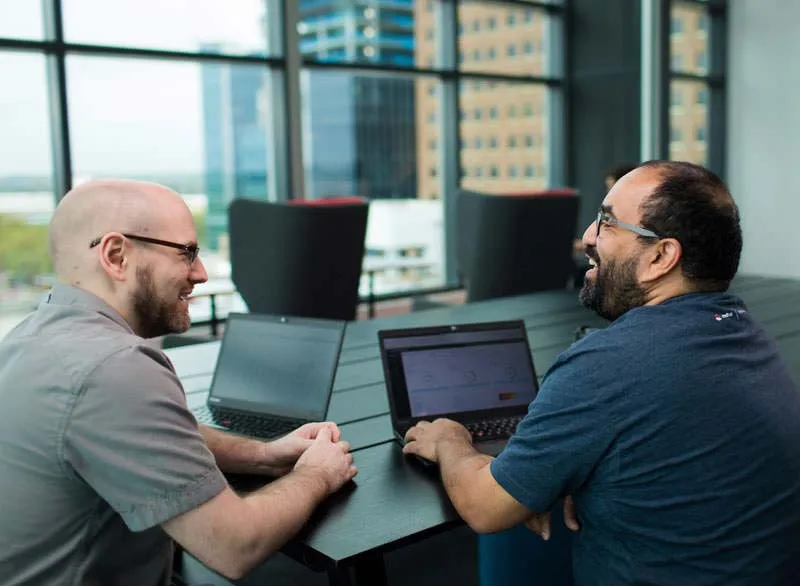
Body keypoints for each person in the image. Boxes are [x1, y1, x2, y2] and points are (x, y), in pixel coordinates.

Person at [404, 161, 800, 585]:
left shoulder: (607, 363)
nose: (588, 237)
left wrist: (451, 440)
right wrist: (592, 480)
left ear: (661, 256)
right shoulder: (745, 335)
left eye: (607, 223)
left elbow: (485, 506)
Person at [0, 179, 358, 586]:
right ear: (116, 256)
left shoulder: (31, 336)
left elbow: (157, 433)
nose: (201, 273)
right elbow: (234, 546)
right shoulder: (115, 367)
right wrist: (317, 474)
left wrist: (264, 455)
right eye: (187, 253)